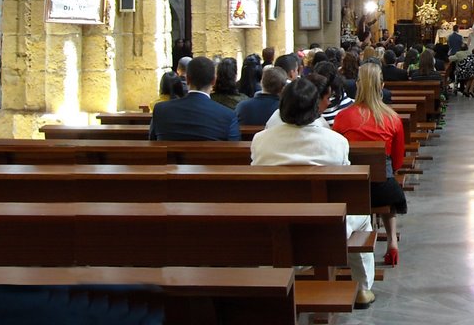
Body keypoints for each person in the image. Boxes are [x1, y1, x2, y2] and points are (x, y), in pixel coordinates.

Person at [250, 75, 376, 309]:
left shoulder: (261, 140)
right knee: (362, 219)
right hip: (326, 227)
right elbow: (346, 185)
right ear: (315, 107)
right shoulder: (335, 142)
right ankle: (362, 288)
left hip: (275, 222)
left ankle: (271, 276)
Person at [333, 64, 407, 267]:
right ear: (381, 86)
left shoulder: (342, 117)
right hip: (383, 189)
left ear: (358, 86)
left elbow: (337, 152)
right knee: (388, 179)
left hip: (351, 188)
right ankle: (392, 241)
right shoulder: (392, 118)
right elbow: (398, 160)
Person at [149, 56, 241, 141]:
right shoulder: (228, 116)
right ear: (213, 81)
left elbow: (152, 143)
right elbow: (235, 149)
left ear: (187, 79)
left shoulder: (160, 110)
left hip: (170, 159)